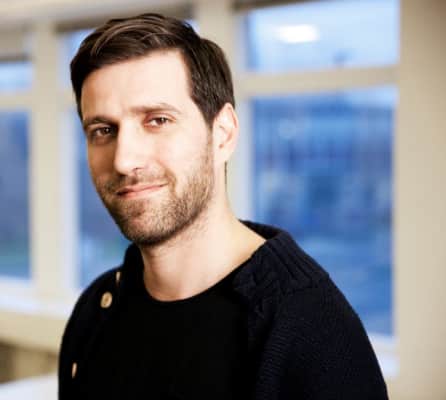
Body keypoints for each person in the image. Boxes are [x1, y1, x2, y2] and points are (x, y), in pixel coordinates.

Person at [58, 12, 388, 400]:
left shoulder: (311, 333)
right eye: (103, 130)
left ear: (223, 134)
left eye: (157, 120)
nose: (124, 160)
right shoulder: (97, 310)